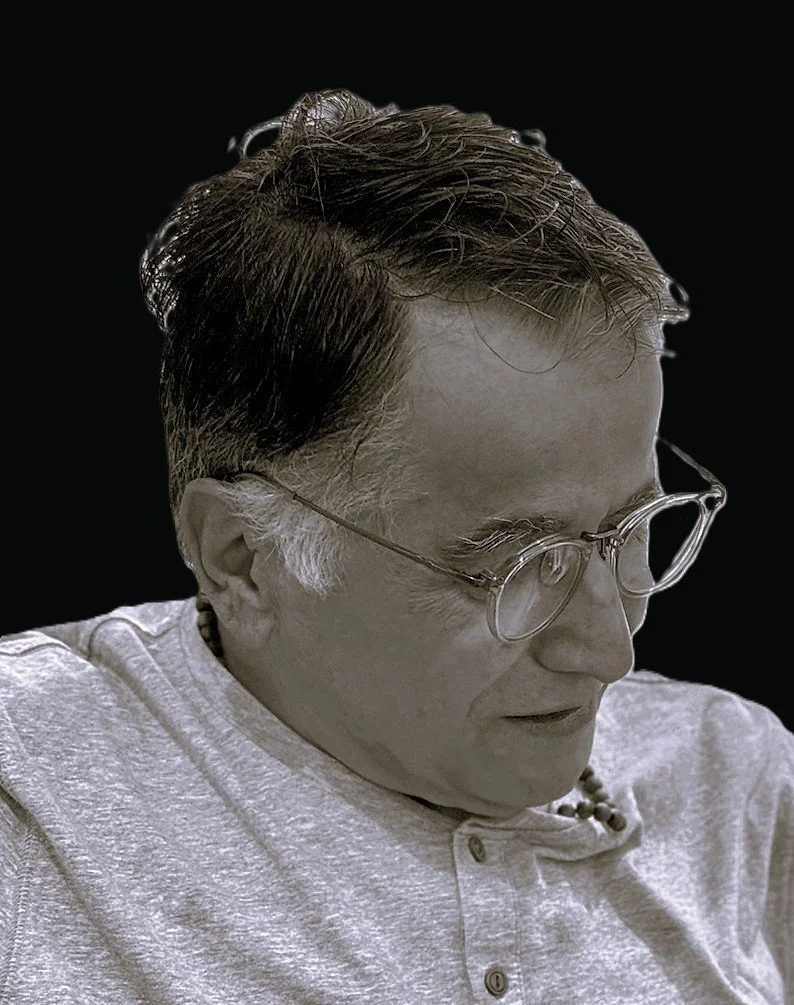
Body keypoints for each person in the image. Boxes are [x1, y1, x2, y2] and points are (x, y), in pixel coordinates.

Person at [0, 90, 790, 1004]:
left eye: (632, 531)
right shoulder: (30, 804)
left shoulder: (737, 781)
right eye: (520, 565)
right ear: (243, 556)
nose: (611, 650)